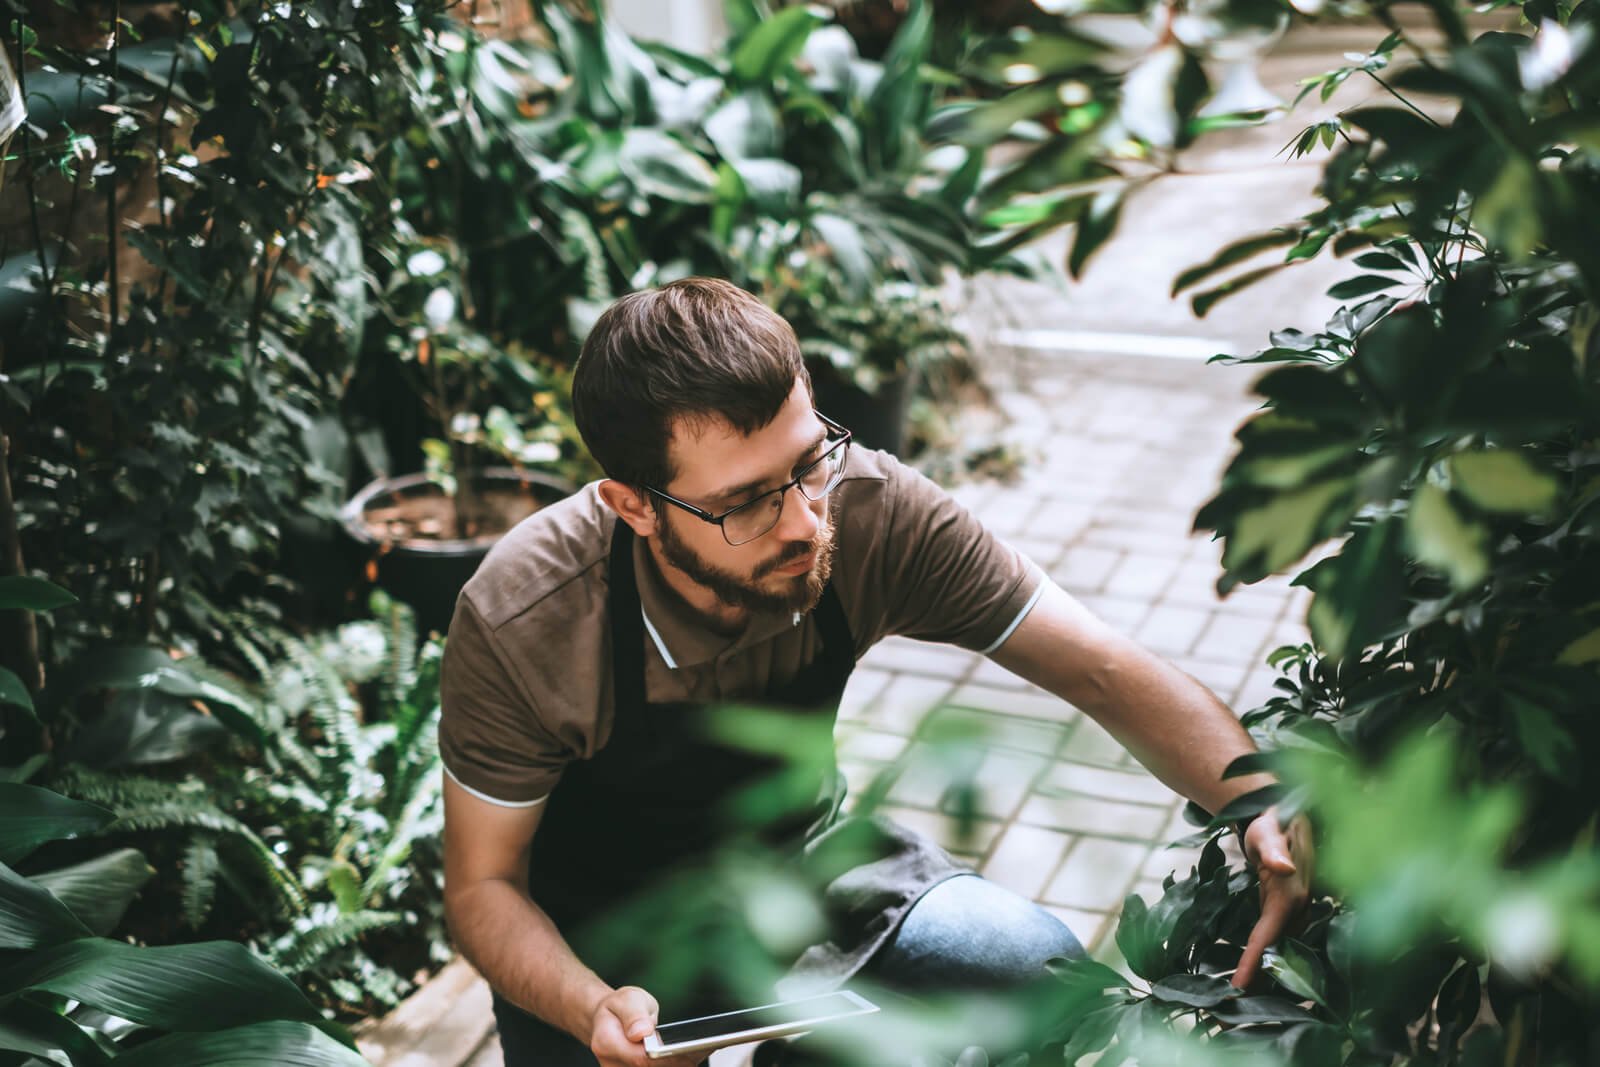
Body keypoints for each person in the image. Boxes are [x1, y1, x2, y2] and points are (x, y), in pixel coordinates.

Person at [439, 278, 1313, 1067]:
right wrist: (591, 1006)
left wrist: (1256, 801)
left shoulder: (864, 508)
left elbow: (1101, 666)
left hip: (804, 871)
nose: (802, 523)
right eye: (744, 499)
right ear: (633, 505)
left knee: (1040, 971)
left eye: (807, 461)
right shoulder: (525, 618)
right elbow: (483, 888)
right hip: (596, 944)